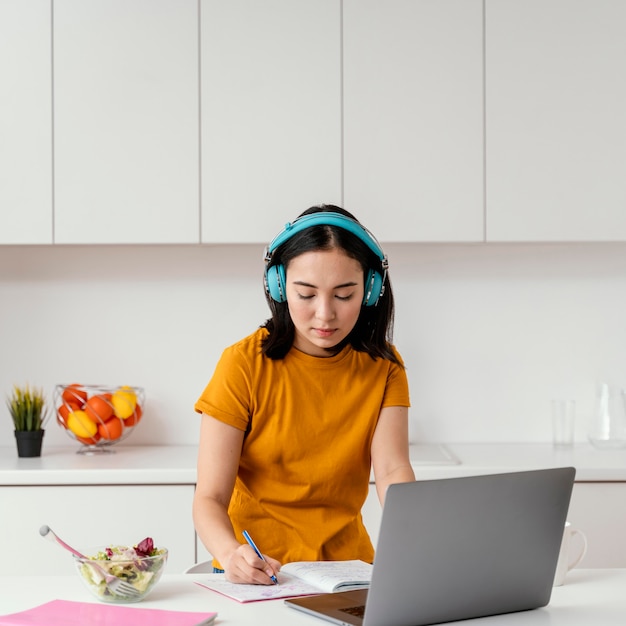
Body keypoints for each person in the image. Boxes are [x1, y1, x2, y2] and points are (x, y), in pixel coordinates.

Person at [192, 204, 415, 585]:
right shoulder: (242, 364)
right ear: (279, 287)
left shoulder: (385, 365)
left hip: (350, 573)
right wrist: (231, 554)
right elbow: (209, 498)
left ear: (371, 291)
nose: (325, 314)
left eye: (344, 295)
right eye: (306, 294)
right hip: (262, 574)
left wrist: (419, 539)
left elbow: (392, 470)